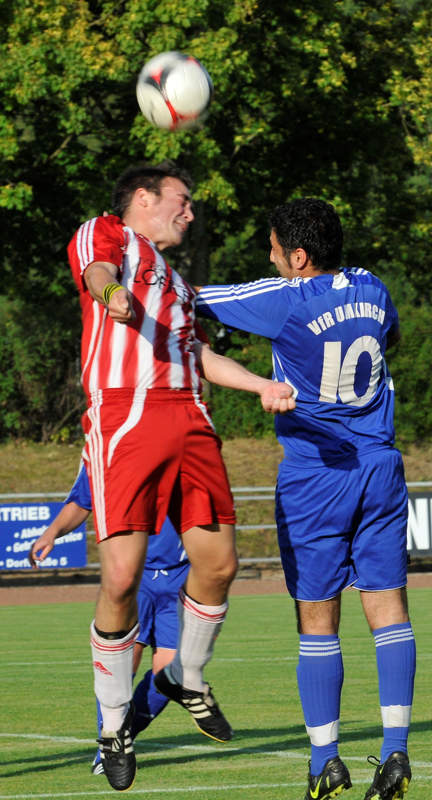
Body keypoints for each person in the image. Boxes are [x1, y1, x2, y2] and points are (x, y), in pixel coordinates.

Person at [67, 161, 295, 791]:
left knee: (219, 565)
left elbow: (197, 354)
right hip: (127, 417)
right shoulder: (110, 234)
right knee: (121, 578)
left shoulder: (177, 283)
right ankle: (115, 723)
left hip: (189, 416)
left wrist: (261, 384)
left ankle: (184, 673)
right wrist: (112, 296)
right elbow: (97, 271)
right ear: (144, 199)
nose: (190, 212)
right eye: (182, 200)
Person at [193, 198, 416, 800]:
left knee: (317, 618)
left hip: (317, 474)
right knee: (389, 608)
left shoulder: (288, 297)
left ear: (297, 256)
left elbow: (189, 297)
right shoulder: (373, 286)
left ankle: (325, 760)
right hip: (380, 465)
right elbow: (390, 336)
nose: (269, 259)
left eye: (273, 250)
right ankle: (396, 750)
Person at [29, 460, 226, 776]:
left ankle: (117, 743)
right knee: (122, 665)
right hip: (133, 573)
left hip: (183, 576)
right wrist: (52, 533)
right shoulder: (105, 451)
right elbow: (82, 501)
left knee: (172, 672)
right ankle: (109, 749)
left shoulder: (186, 445)